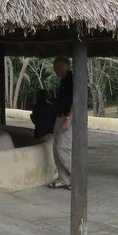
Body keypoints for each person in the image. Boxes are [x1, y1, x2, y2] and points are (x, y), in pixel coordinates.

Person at [48, 56, 73, 190]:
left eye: (55, 68)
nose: (55, 71)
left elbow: (77, 101)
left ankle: (76, 178)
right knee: (55, 149)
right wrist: (53, 101)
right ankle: (64, 179)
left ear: (61, 67)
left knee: (63, 148)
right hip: (60, 117)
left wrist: (69, 119)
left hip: (67, 118)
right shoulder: (64, 81)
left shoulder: (72, 80)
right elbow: (64, 101)